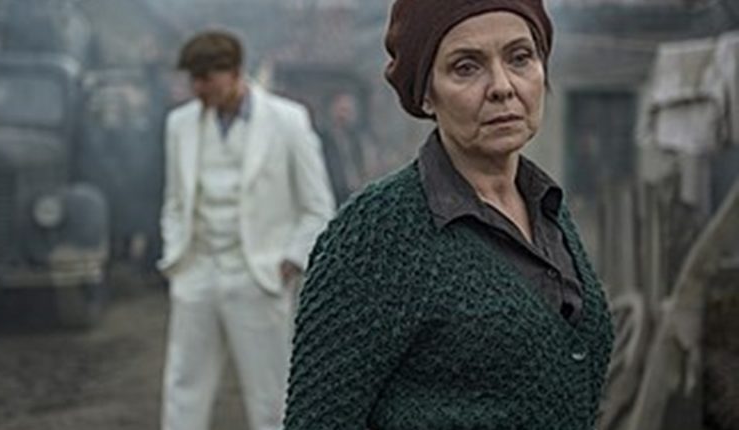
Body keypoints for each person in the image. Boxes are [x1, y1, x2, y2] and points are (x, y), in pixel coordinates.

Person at [283, 1, 614, 429]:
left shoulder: (547, 207)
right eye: (466, 67)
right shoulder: (375, 235)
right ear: (426, 94)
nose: (502, 87)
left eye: (520, 57)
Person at [159, 31, 335, 430]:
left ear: (235, 72)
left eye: (206, 78)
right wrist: (177, 257)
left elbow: (317, 206)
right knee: (183, 388)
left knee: (272, 395)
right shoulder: (179, 124)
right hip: (196, 273)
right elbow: (174, 201)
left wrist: (290, 260)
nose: (197, 88)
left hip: (260, 275)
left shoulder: (288, 121)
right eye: (193, 79)